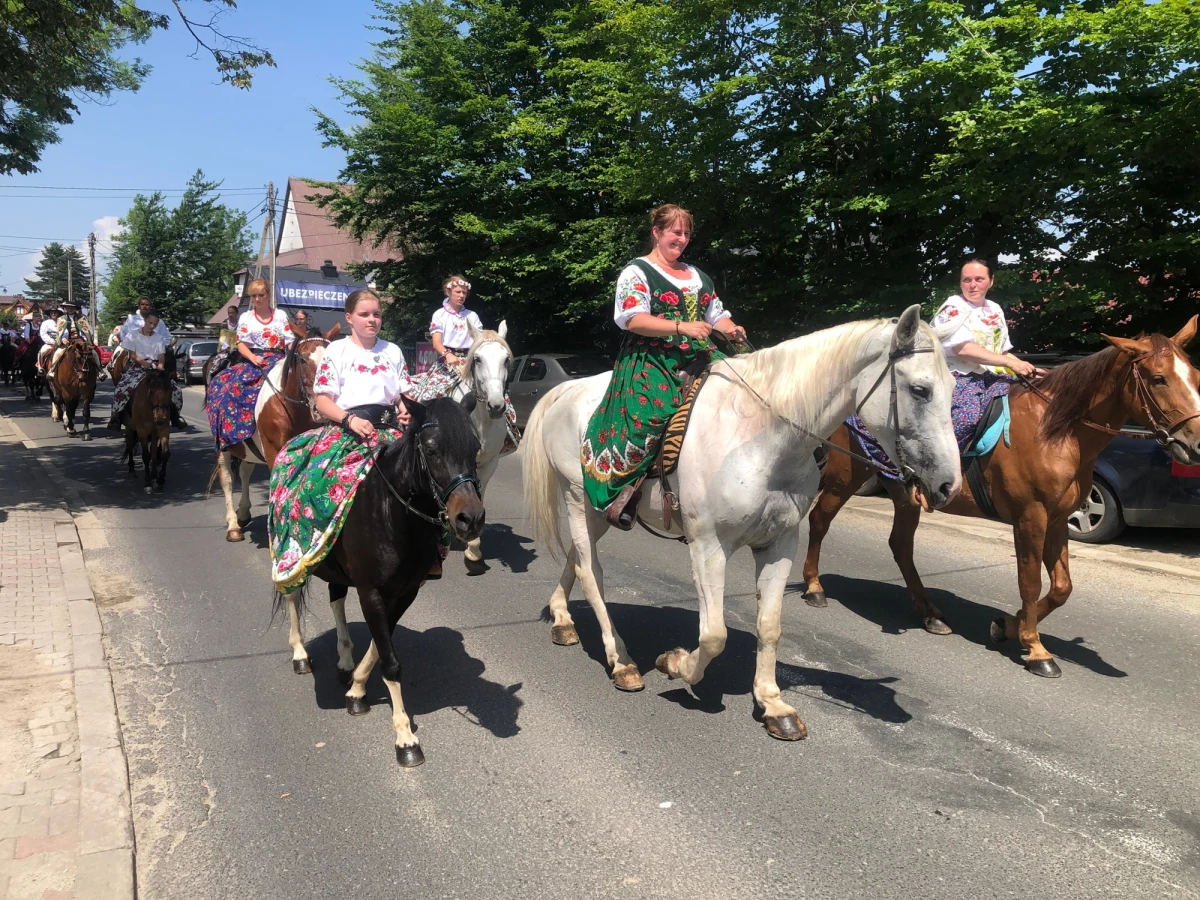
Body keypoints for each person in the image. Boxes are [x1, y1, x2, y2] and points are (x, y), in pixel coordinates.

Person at [580, 204, 747, 529]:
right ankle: (629, 493)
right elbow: (632, 319)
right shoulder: (637, 272)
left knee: (738, 396)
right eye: (676, 232)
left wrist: (731, 328)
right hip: (652, 357)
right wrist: (681, 327)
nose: (682, 239)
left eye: (686, 233)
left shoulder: (698, 276)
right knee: (648, 418)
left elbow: (715, 315)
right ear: (657, 233)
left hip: (700, 354)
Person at [267, 288, 444, 591]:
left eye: (376, 314)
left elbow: (403, 396)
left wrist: (405, 412)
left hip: (391, 430)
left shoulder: (393, 351)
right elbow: (323, 402)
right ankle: (313, 549)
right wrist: (349, 419)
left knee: (433, 479)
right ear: (349, 318)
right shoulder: (337, 351)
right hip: (348, 429)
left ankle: (431, 552)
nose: (372, 319)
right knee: (315, 481)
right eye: (364, 314)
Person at [929, 258, 1047, 447]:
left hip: (990, 375)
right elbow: (963, 349)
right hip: (957, 376)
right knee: (966, 419)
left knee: (1029, 400)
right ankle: (935, 466)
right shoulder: (953, 307)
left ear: (991, 281)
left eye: (979, 279)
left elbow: (1002, 351)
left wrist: (1027, 368)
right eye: (967, 280)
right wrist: (1009, 363)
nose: (972, 285)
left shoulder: (994, 308)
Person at [412, 275, 520, 450]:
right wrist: (447, 355)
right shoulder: (439, 315)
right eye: (458, 292)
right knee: (429, 392)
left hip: (470, 359)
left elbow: (478, 340)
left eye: (464, 292)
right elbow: (436, 342)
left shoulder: (472, 316)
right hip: (448, 361)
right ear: (448, 291)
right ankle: (420, 433)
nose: (462, 295)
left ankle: (507, 435)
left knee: (498, 392)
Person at [206, 278, 294, 451]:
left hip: (280, 357)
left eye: (261, 295)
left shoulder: (281, 315)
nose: (257, 299)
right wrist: (253, 358)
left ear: (268, 295)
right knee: (234, 388)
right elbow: (241, 344)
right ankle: (238, 435)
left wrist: (291, 356)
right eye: (254, 296)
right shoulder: (246, 317)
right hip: (256, 359)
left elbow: (289, 340)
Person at [108, 311, 183, 426]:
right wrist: (142, 362)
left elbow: (161, 354)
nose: (152, 326)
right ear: (145, 322)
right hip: (137, 367)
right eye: (150, 323)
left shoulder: (159, 337)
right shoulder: (132, 335)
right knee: (121, 388)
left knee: (175, 389)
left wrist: (161, 365)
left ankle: (175, 416)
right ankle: (116, 417)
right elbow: (131, 354)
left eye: (155, 324)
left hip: (155, 368)